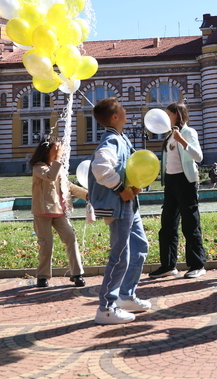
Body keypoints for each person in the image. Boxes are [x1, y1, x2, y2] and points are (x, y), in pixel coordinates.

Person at [89, 97, 151, 324]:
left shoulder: (121, 137)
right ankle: (106, 308)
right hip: (119, 205)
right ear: (115, 117)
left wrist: (134, 183)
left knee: (140, 247)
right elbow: (100, 167)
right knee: (120, 256)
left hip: (129, 204)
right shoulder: (111, 140)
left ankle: (126, 295)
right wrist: (120, 188)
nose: (126, 110)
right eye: (122, 109)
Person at [149, 102, 208, 280]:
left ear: (178, 114)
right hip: (171, 182)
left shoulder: (188, 133)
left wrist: (182, 141)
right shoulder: (169, 135)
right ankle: (168, 265)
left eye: (169, 114)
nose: (166, 117)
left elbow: (199, 156)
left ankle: (197, 265)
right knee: (167, 225)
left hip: (186, 181)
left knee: (190, 224)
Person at [30, 137, 88, 289]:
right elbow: (50, 177)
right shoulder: (39, 167)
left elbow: (67, 185)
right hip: (43, 213)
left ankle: (77, 274)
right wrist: (58, 158)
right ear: (47, 150)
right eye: (56, 148)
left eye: (59, 148)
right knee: (46, 245)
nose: (60, 151)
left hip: (59, 212)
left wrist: (87, 194)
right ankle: (42, 276)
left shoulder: (58, 167)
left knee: (70, 237)